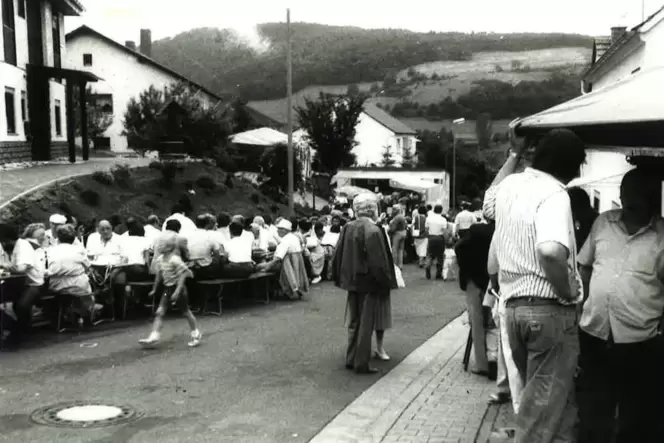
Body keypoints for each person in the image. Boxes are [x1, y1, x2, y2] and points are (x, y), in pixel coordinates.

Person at [484, 128, 586, 443]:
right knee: (542, 414)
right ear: (571, 165)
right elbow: (550, 250)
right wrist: (569, 290)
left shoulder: (509, 186)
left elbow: (488, 205)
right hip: (548, 309)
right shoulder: (555, 194)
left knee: (538, 403)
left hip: (512, 308)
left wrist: (514, 155)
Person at [577, 168, 664, 443]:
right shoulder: (603, 223)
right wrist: (581, 308)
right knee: (593, 407)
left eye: (638, 192)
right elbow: (585, 267)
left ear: (651, 196)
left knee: (637, 414)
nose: (629, 198)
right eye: (626, 191)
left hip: (641, 339)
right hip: (594, 332)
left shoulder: (662, 235)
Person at [331, 193, 397, 374]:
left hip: (351, 280)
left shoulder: (347, 227)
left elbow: (337, 254)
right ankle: (361, 362)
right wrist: (385, 282)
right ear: (372, 209)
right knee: (366, 323)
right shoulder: (374, 230)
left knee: (354, 321)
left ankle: (351, 358)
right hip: (369, 283)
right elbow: (378, 262)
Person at [139, 232, 201, 348]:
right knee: (160, 312)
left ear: (168, 247)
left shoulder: (175, 260)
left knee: (186, 312)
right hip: (167, 289)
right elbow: (159, 275)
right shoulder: (160, 259)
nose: (158, 246)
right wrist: (154, 289)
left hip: (179, 289)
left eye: (161, 245)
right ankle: (154, 335)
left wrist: (178, 291)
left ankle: (195, 333)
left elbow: (183, 275)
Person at [455, 217, 494, 377]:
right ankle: (495, 358)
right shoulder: (503, 229)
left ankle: (482, 364)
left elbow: (459, 247)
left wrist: (466, 268)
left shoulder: (476, 230)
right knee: (494, 323)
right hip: (493, 280)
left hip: (473, 281)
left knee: (477, 323)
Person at [5, 223, 47, 347]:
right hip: (27, 282)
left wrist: (12, 267)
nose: (42, 237)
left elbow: (23, 267)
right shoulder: (23, 245)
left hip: (36, 284)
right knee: (17, 304)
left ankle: (17, 333)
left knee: (21, 306)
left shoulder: (26, 245)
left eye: (43, 235)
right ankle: (20, 329)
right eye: (40, 235)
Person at [256, 219, 309, 300]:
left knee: (258, 267)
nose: (277, 231)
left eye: (279, 229)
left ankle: (261, 293)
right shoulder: (294, 237)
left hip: (287, 266)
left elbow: (277, 259)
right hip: (295, 264)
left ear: (284, 230)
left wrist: (266, 266)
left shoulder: (285, 240)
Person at [424, 204, 448, 280]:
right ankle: (438, 274)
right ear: (441, 210)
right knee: (440, 256)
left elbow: (426, 230)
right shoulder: (443, 219)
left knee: (430, 254)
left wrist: (429, 236)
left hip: (431, 238)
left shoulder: (429, 219)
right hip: (440, 238)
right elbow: (444, 232)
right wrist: (446, 240)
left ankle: (427, 266)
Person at [388, 205, 408, 269]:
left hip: (397, 234)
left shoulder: (397, 218)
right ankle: (400, 265)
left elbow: (393, 228)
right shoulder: (402, 216)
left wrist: (389, 231)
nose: (392, 211)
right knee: (401, 250)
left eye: (393, 210)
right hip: (403, 233)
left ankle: (394, 265)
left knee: (394, 249)